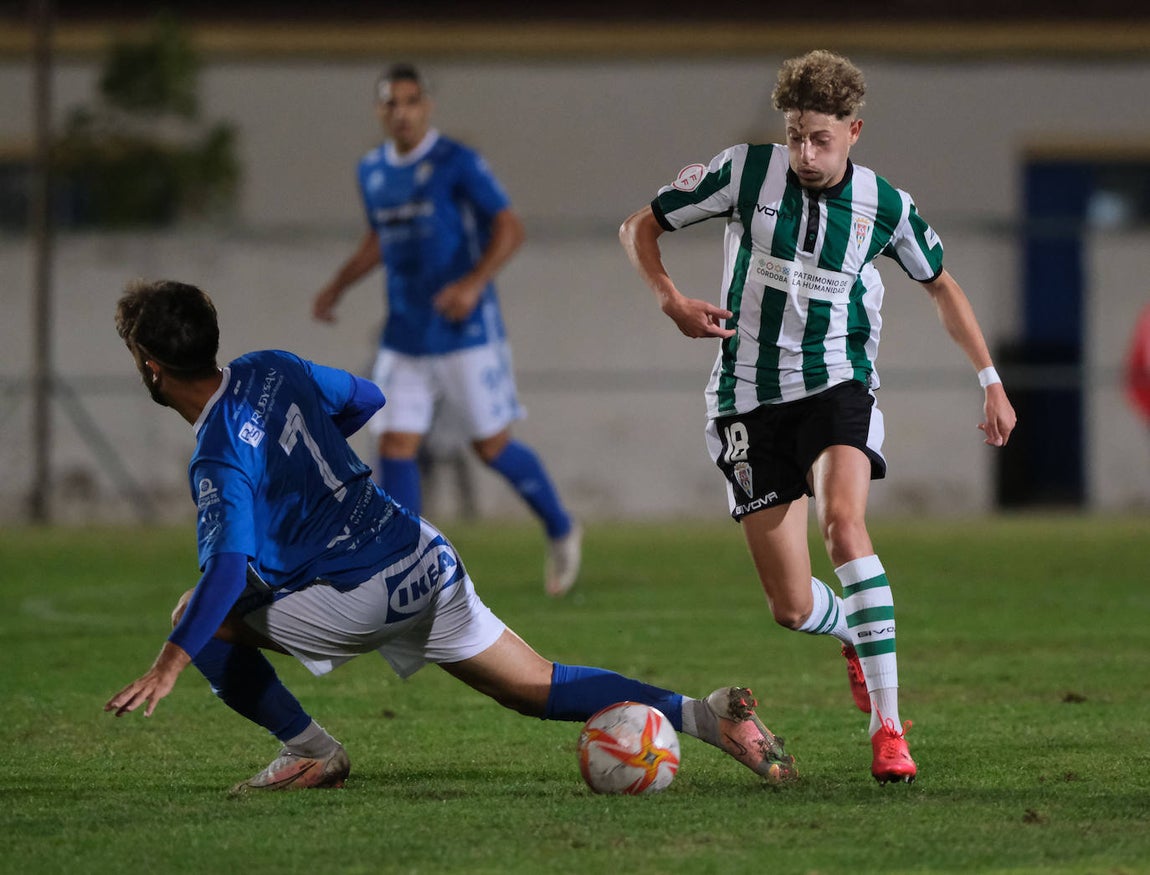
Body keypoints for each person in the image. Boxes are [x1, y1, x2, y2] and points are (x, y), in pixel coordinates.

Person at [102, 279, 797, 793]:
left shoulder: (219, 452)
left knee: (197, 615)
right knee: (533, 685)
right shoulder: (271, 366)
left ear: (150, 366)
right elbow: (368, 399)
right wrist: (306, 472)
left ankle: (311, 750)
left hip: (358, 594)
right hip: (421, 555)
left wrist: (168, 665)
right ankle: (705, 717)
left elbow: (226, 571)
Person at [619, 50, 1017, 785]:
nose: (805, 153)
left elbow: (942, 284)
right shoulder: (745, 173)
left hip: (837, 384)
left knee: (843, 524)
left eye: (820, 140)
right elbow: (639, 226)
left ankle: (888, 729)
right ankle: (852, 631)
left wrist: (990, 380)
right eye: (796, 136)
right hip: (745, 397)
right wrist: (670, 299)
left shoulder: (884, 206)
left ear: (853, 131)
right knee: (792, 605)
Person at [311, 62, 581, 598]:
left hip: (465, 333)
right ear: (379, 111)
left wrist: (473, 284)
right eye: (391, 103)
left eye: (411, 101)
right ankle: (405, 565)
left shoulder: (457, 162)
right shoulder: (372, 170)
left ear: (427, 106)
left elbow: (510, 227)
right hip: (404, 336)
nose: (402, 113)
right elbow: (379, 238)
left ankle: (561, 527)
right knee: (394, 441)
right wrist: (338, 285)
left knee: (492, 446)